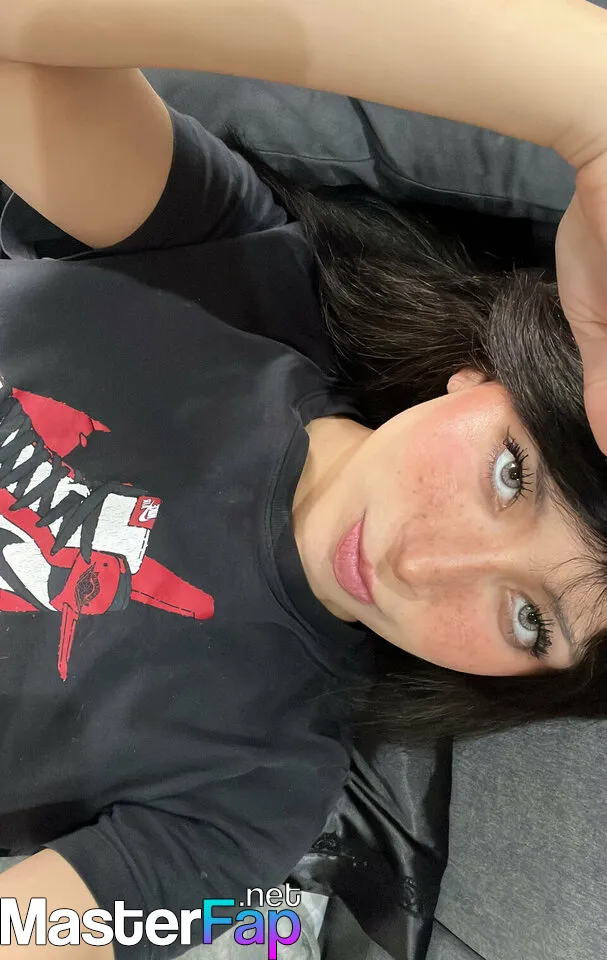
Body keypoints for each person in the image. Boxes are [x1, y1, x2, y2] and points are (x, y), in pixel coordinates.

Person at [0, 2, 606, 959]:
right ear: (484, 374)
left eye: (530, 619)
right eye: (509, 474)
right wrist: (590, 105)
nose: (422, 564)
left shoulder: (253, 809)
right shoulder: (227, 266)